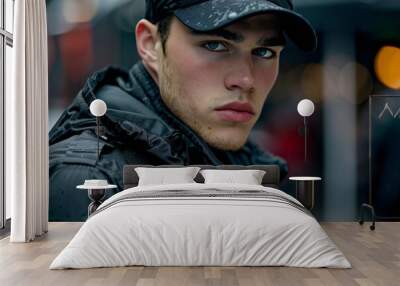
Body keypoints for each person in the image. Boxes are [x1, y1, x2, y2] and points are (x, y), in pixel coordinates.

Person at [49, 0, 317, 221]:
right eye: (215, 45)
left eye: (265, 52)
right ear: (150, 45)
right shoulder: (89, 178)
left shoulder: (238, 162)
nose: (246, 80)